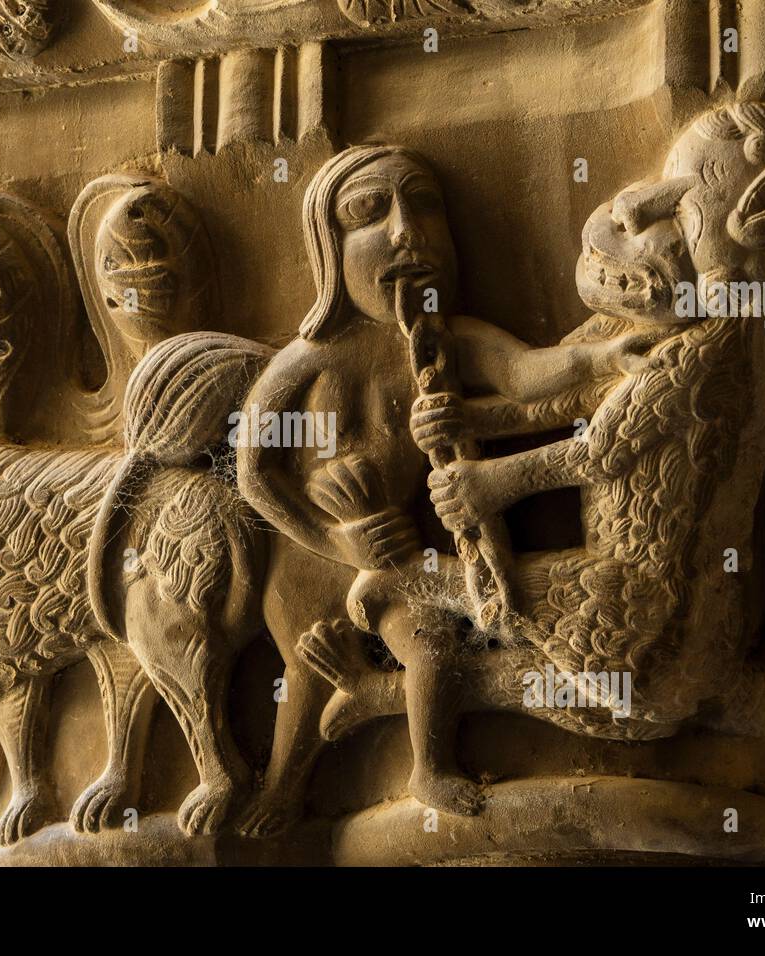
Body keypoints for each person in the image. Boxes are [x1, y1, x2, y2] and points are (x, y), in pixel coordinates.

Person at [238, 144, 658, 815]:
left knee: (434, 647)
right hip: (315, 560)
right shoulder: (313, 358)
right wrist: (333, 539)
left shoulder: (444, 340)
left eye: (424, 206)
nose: (406, 230)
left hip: (402, 561)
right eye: (368, 212)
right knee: (303, 675)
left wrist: (600, 356)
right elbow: (252, 467)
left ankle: (426, 769)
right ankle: (282, 789)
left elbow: (523, 373)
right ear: (327, 248)